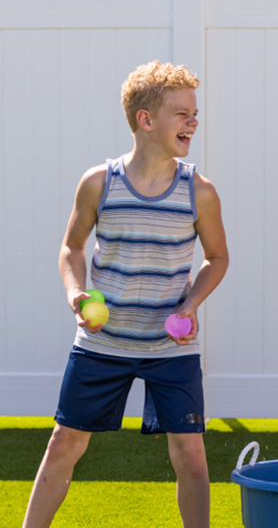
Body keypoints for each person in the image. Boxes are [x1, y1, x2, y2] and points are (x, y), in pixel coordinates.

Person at [22, 60, 229, 528]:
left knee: (192, 456)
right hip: (103, 342)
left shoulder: (200, 191)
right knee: (63, 444)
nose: (193, 122)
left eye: (195, 113)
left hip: (170, 347)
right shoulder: (100, 182)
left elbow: (217, 258)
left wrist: (191, 304)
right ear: (145, 119)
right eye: (182, 113)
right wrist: (77, 294)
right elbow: (71, 247)